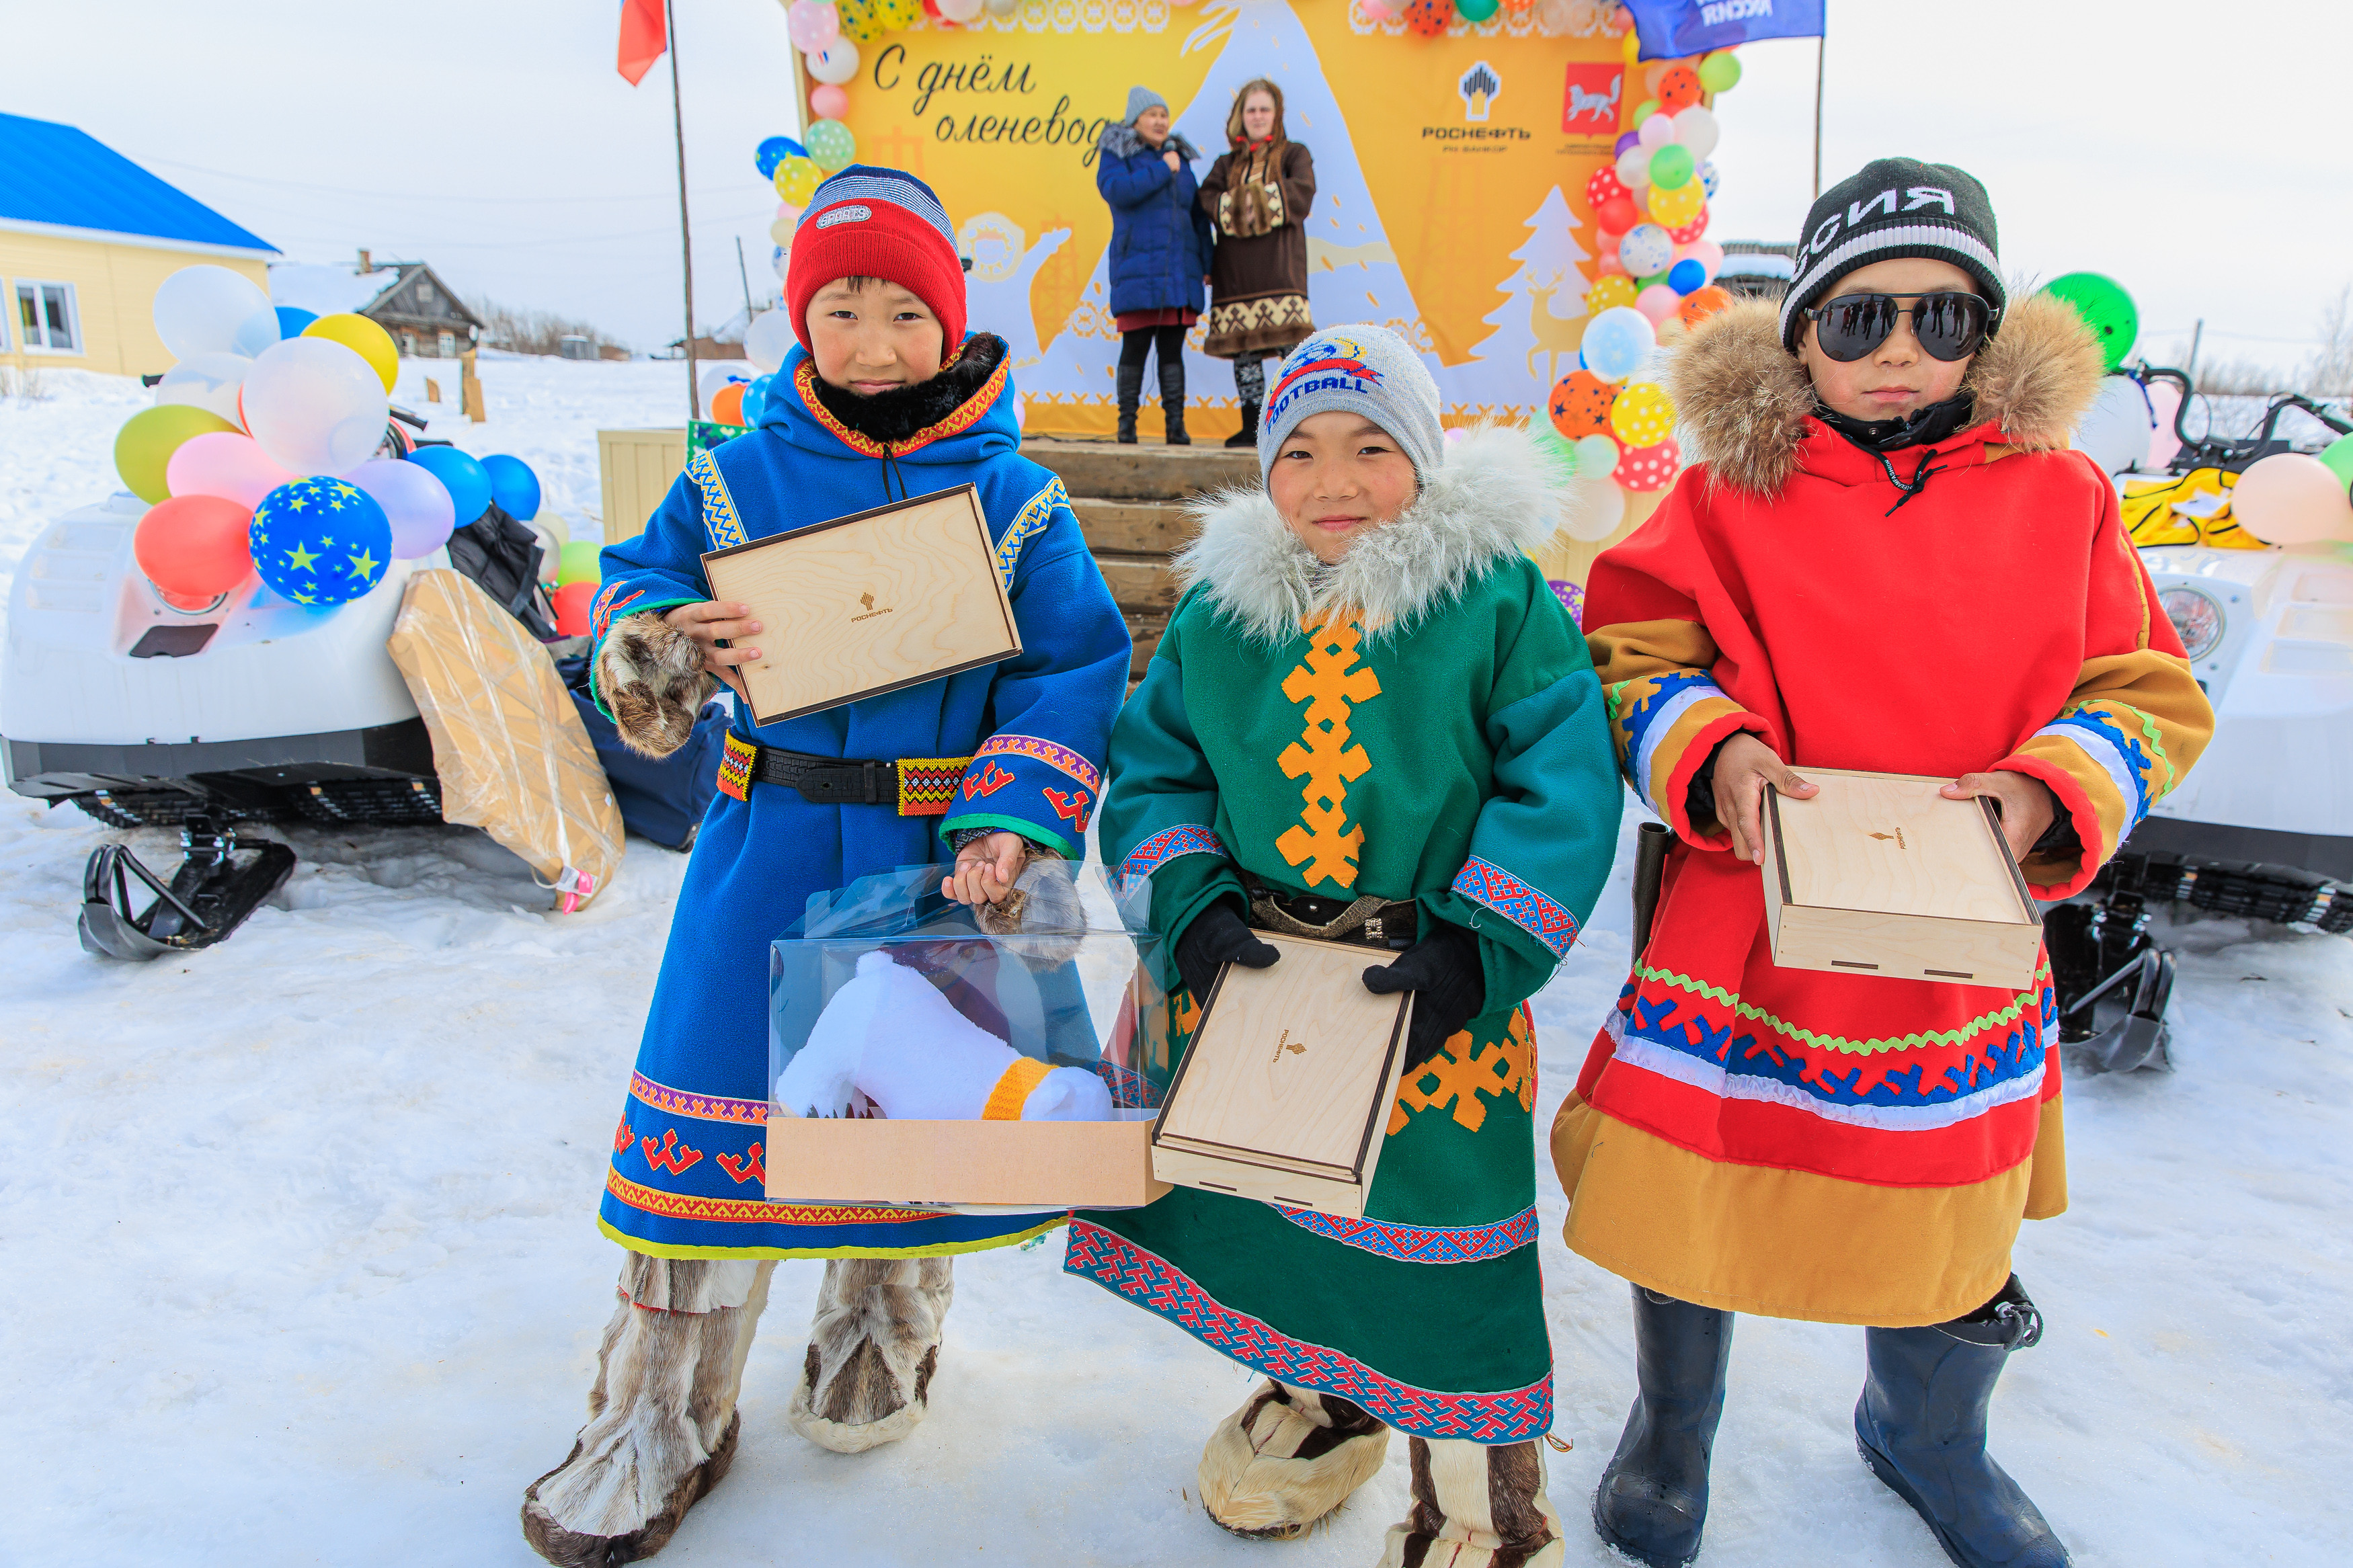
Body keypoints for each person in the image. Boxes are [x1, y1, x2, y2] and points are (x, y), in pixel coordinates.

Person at [1558, 159, 2215, 1568]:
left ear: (1988, 334)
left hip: (1956, 920)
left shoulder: (2063, 494)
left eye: (1938, 316)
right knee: (1700, 1175)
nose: (1898, 349)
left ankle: (1928, 1431)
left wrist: (2048, 789)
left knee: (1935, 1185)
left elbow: (2142, 688)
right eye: (1855, 320)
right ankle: (1675, 1423)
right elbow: (1629, 652)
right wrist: (1710, 748)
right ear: (1798, 336)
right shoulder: (1729, 491)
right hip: (1747, 911)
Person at [520, 165, 1130, 1565]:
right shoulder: (729, 476)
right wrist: (666, 633)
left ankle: (877, 1333)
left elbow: (1072, 670)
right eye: (840, 306)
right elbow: (627, 589)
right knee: (711, 1131)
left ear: (950, 321)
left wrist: (1015, 818)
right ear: (802, 319)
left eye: (904, 309)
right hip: (770, 841)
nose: (869, 342)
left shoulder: (1021, 500)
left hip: (935, 852)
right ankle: (656, 1408)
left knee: (909, 1114)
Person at [1069, 326, 1622, 1565]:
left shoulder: (1497, 601)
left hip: (1430, 989)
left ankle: (1482, 1503)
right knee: (1273, 1210)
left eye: (1372, 447)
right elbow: (1159, 769)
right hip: (1253, 983)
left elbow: (1561, 781)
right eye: (1302, 451)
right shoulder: (1223, 612)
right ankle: (1327, 1398)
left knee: (1438, 1242)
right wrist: (1192, 904)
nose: (1333, 481)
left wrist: (1479, 946)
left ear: (1423, 459)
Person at [1199, 79, 1316, 449]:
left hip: (1281, 269)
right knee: (1245, 352)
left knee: (1291, 353)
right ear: (1240, 117)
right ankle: (1252, 426)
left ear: (1277, 114)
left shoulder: (1294, 154)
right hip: (1236, 274)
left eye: (1265, 109)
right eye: (1251, 110)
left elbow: (1301, 193)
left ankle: (1295, 427)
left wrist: (1241, 204)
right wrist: (1257, 202)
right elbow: (1207, 199)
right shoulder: (1226, 163)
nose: (1258, 116)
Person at [1096, 85, 1214, 445]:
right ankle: (1126, 425)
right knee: (1134, 348)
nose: (1161, 121)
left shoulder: (1179, 158)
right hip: (1137, 269)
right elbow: (1117, 192)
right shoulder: (1118, 154)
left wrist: (1207, 263)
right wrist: (1164, 170)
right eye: (1153, 115)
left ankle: (1175, 427)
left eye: (1164, 115)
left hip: (1179, 273)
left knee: (1172, 350)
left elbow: (1198, 217)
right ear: (1135, 121)